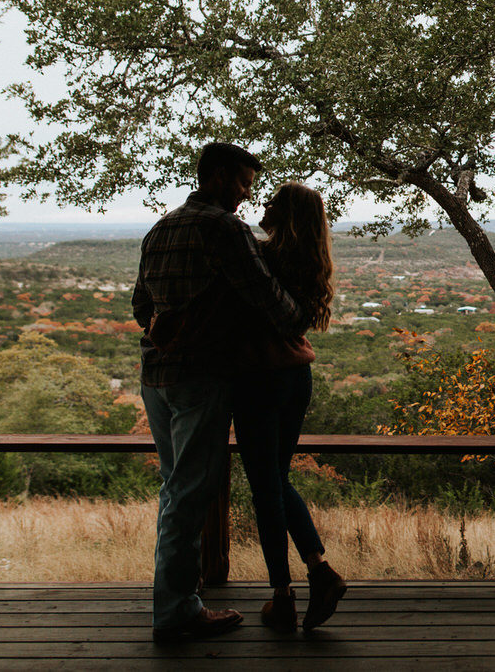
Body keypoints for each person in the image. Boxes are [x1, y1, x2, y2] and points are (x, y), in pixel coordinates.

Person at [132, 142, 304, 642]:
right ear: (221, 177)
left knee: (174, 488)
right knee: (188, 494)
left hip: (155, 378)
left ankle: (177, 600)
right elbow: (270, 301)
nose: (247, 195)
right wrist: (299, 314)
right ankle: (177, 611)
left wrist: (164, 329)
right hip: (200, 379)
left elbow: (141, 305)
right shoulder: (226, 230)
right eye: (245, 183)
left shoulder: (160, 228)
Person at [231, 181, 348, 632]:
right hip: (295, 378)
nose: (264, 206)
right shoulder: (308, 264)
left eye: (273, 202)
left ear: (288, 215)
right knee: (276, 481)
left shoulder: (258, 258)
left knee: (266, 491)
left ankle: (282, 596)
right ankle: (319, 571)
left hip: (258, 380)